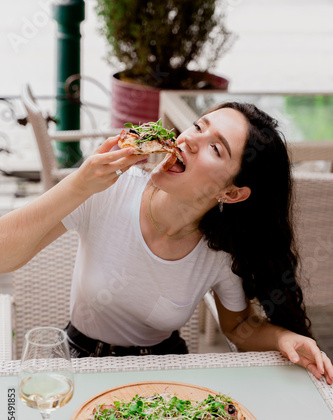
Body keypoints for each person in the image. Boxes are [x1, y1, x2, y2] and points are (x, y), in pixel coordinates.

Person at [1, 101, 332, 384]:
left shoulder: (219, 249)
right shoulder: (110, 190)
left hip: (166, 372)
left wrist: (283, 337)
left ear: (231, 193)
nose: (188, 140)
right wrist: (78, 185)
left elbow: (240, 325)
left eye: (215, 148)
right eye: (196, 127)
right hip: (83, 363)